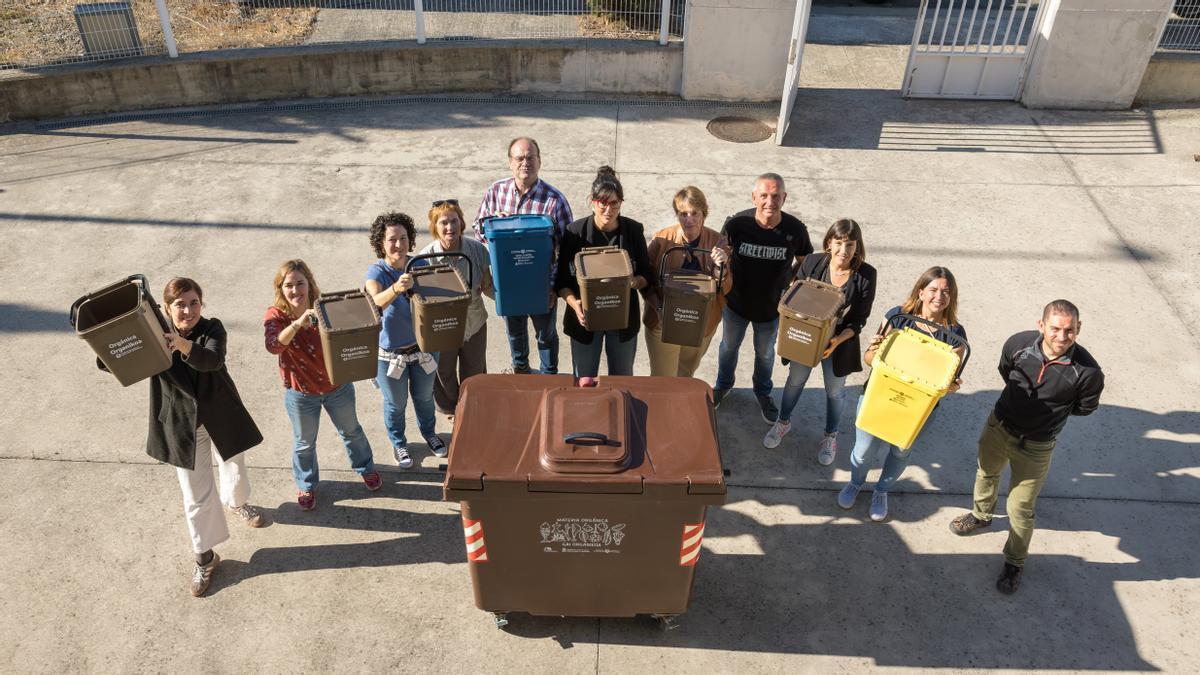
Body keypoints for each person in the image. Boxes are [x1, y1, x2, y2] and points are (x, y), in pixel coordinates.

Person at [104, 277, 264, 597]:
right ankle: (205, 557)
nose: (188, 311)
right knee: (194, 494)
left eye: (194, 303)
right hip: (182, 425)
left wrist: (183, 345)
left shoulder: (212, 329)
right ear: (166, 308)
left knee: (234, 465)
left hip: (221, 415)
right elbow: (118, 360)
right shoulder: (154, 335)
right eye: (180, 305)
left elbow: (213, 360)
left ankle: (236, 502)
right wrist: (112, 340)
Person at [949, 300, 1104, 595]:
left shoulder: (1088, 373)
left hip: (1037, 445)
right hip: (998, 427)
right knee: (986, 473)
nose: (1062, 336)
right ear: (1041, 325)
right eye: (1055, 328)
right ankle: (981, 516)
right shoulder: (1018, 345)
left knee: (1020, 508)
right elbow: (1006, 372)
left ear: (1079, 328)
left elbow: (1084, 408)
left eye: (1069, 330)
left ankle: (1014, 562)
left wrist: (1046, 418)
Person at [837, 267, 966, 522]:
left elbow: (946, 383)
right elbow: (869, 358)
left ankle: (881, 490)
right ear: (921, 292)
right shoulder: (897, 317)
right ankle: (855, 482)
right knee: (863, 452)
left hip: (917, 408)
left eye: (946, 291)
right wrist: (875, 350)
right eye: (933, 290)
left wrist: (951, 387)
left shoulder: (955, 335)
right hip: (879, 395)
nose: (939, 296)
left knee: (900, 452)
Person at [263, 260, 382, 511]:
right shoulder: (276, 315)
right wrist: (297, 324)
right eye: (288, 285)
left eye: (300, 283)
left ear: (309, 284)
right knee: (304, 443)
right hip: (301, 393)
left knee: (351, 431)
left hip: (337, 387)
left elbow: (354, 329)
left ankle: (366, 468)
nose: (295, 290)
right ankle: (306, 484)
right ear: (280, 289)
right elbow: (273, 345)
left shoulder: (325, 308)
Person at [764, 219, 876, 463]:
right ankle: (783, 422)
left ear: (857, 247)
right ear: (829, 243)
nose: (843, 251)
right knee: (795, 381)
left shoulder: (866, 275)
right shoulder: (813, 263)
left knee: (835, 391)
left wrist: (835, 341)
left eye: (850, 245)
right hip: (806, 336)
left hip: (838, 342)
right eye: (839, 243)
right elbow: (794, 299)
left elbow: (859, 320)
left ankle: (830, 436)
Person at [713, 173, 813, 419]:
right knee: (728, 348)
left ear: (784, 198)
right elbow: (721, 256)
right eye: (764, 196)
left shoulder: (795, 229)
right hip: (735, 303)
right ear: (754, 197)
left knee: (765, 354)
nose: (770, 202)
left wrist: (789, 282)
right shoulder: (736, 224)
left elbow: (805, 261)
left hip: (770, 308)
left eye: (776, 196)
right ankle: (723, 386)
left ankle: (763, 393)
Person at [473, 136, 573, 375]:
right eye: (519, 158)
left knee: (545, 335)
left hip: (541, 285)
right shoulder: (496, 192)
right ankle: (521, 372)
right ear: (510, 162)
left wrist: (553, 286)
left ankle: (549, 376)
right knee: (515, 332)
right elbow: (478, 229)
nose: (525, 163)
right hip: (509, 284)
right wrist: (493, 222)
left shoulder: (554, 200)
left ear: (539, 161)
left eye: (530, 157)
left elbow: (566, 249)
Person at [365, 211, 445, 468]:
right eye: (392, 239)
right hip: (390, 356)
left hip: (424, 350)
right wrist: (396, 288)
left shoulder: (420, 265)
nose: (398, 244)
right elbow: (374, 303)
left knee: (424, 398)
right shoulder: (376, 272)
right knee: (395, 404)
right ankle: (399, 443)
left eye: (403, 238)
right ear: (381, 244)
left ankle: (430, 434)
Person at [556, 166, 652, 377]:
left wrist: (632, 282)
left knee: (621, 378)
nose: (609, 209)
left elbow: (647, 274)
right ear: (593, 202)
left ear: (621, 203)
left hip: (622, 320)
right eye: (603, 203)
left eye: (614, 203)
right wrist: (575, 305)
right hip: (585, 321)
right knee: (584, 379)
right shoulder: (575, 232)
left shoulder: (634, 231)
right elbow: (562, 281)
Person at [643, 186, 732, 377]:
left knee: (685, 377)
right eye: (683, 214)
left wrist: (720, 266)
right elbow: (645, 280)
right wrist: (659, 308)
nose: (689, 219)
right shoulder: (662, 239)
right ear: (676, 215)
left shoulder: (718, 242)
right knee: (663, 379)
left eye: (695, 213)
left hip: (701, 324)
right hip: (663, 323)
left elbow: (726, 287)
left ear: (704, 213)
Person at [417, 199, 493, 419]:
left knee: (475, 369)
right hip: (442, 326)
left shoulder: (477, 250)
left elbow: (487, 285)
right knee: (444, 371)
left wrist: (510, 302)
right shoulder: (425, 259)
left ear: (461, 223)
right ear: (435, 226)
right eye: (443, 222)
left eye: (454, 221)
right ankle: (451, 410)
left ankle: (472, 406)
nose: (450, 227)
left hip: (474, 321)